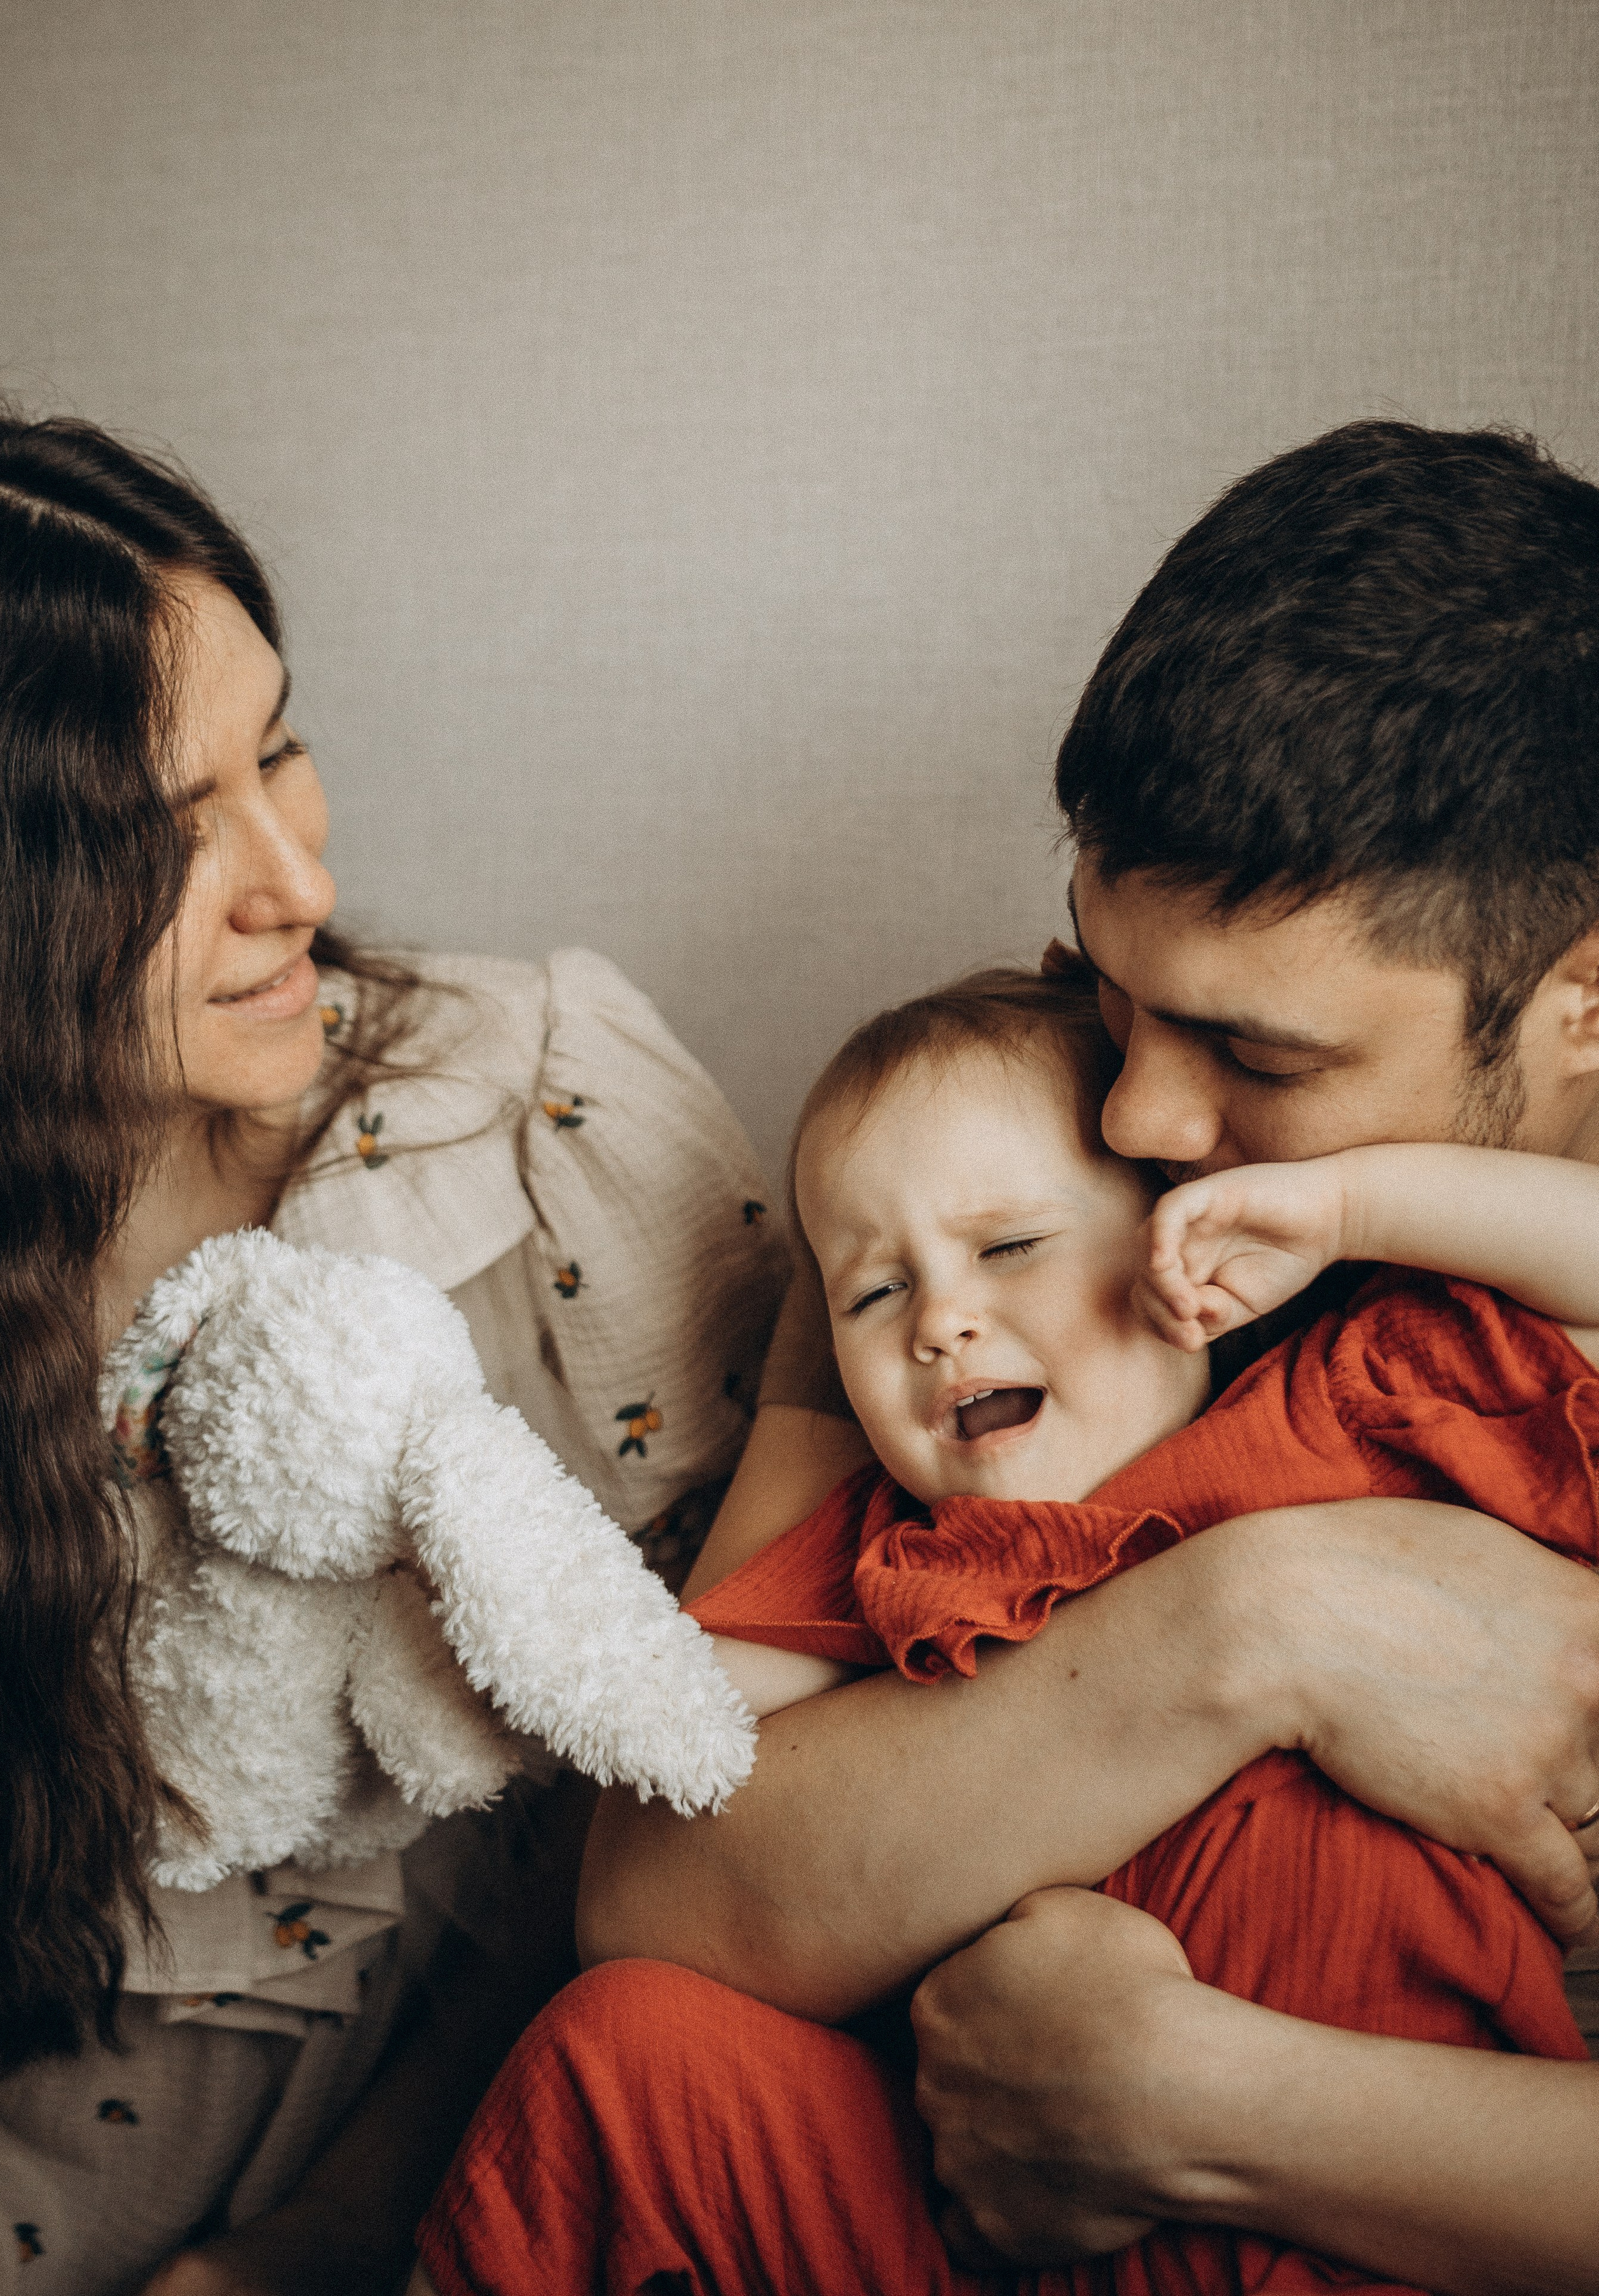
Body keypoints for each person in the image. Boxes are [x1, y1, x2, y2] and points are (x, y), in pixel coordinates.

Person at [575, 422, 1599, 2293]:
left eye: (1257, 1060)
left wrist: (1204, 2102)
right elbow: (666, 1888)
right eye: (1103, 988)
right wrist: (1269, 1623)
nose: (1135, 1110)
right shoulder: (995, 1166)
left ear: (1581, 1002)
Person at [411, 959, 1599, 2295]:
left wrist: (1336, 1205)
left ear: (1191, 1239)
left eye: (1007, 1249)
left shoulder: (1343, 1416)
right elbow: (677, 1779)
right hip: (1008, 2228)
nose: (938, 1323)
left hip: (1391, 2233)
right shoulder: (893, 1550)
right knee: (616, 2056)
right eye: (873, 1296)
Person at [0, 409, 786, 2296]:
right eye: (166, 842)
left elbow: (716, 1802)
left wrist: (328, 2247)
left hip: (428, 2176)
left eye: (283, 754)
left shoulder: (541, 1124)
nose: (296, 886)